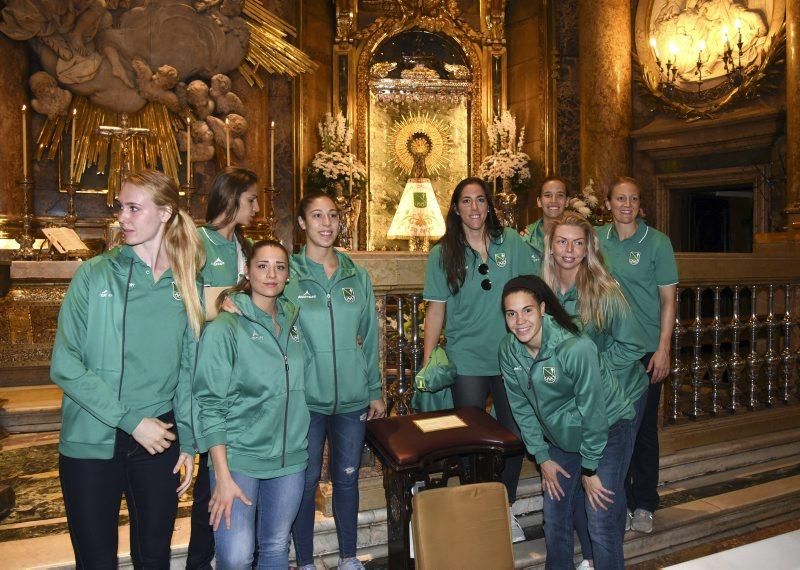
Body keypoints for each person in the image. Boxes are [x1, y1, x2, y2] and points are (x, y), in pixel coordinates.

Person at [51, 169, 203, 568]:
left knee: (154, 557)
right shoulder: (93, 274)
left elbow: (188, 371)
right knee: (96, 561)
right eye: (121, 207)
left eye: (135, 208)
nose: (123, 217)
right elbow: (66, 365)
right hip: (93, 438)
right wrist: (131, 420)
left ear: (166, 212)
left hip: (158, 440)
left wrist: (187, 440)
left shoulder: (186, 280)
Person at [422, 176, 537, 543]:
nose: (474, 208)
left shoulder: (512, 243)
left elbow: (532, 295)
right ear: (456, 208)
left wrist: (536, 347)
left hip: (511, 356)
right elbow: (435, 313)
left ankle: (504, 506)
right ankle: (476, 508)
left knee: (515, 434)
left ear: (490, 206)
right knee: (470, 439)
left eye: (481, 200)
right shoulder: (442, 253)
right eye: (467, 201)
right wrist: (428, 363)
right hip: (466, 357)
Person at [499, 275, 634, 570]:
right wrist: (541, 455)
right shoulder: (509, 351)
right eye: (511, 313)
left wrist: (589, 468)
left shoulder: (574, 348)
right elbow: (520, 407)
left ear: (543, 308)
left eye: (527, 310)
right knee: (556, 515)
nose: (519, 321)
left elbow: (593, 412)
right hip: (561, 438)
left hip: (605, 432)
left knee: (599, 519)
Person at [193, 239, 310, 569]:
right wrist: (222, 474)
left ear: (289, 275)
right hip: (239, 460)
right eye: (262, 266)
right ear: (248, 271)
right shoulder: (225, 328)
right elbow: (210, 405)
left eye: (280, 267)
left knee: (275, 547)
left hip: (289, 459)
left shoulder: (292, 322)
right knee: (236, 557)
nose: (271, 274)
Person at [542, 212, 648, 567]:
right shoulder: (543, 292)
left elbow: (633, 346)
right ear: (551, 247)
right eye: (562, 242)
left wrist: (596, 373)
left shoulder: (604, 290)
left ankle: (603, 557)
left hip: (621, 397)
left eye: (578, 242)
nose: (569, 250)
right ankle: (589, 559)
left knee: (603, 492)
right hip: (576, 405)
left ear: (588, 248)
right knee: (570, 494)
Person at [288, 192, 385, 570]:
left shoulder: (355, 275)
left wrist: (374, 388)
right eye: (317, 216)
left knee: (347, 479)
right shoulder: (288, 274)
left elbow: (370, 335)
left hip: (352, 398)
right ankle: (308, 562)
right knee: (306, 481)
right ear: (301, 223)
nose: (327, 223)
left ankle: (348, 556)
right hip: (305, 399)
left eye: (332, 215)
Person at [188, 166, 260, 569]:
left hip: (244, 374)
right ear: (232, 199)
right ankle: (201, 559)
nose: (255, 207)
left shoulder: (245, 247)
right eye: (250, 199)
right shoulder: (197, 241)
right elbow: (183, 298)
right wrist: (221, 300)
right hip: (208, 369)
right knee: (207, 481)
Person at [598, 177, 678, 534]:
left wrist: (664, 348)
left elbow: (668, 300)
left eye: (632, 198)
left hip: (645, 350)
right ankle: (615, 500)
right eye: (619, 198)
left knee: (643, 429)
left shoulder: (657, 243)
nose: (625, 204)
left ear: (639, 203)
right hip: (608, 348)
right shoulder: (597, 239)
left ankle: (644, 503)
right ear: (609, 203)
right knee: (611, 428)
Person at [521, 176, 569, 267]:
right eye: (547, 195)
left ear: (567, 201)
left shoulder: (579, 235)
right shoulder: (527, 237)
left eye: (560, 195)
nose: (554, 200)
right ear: (539, 201)